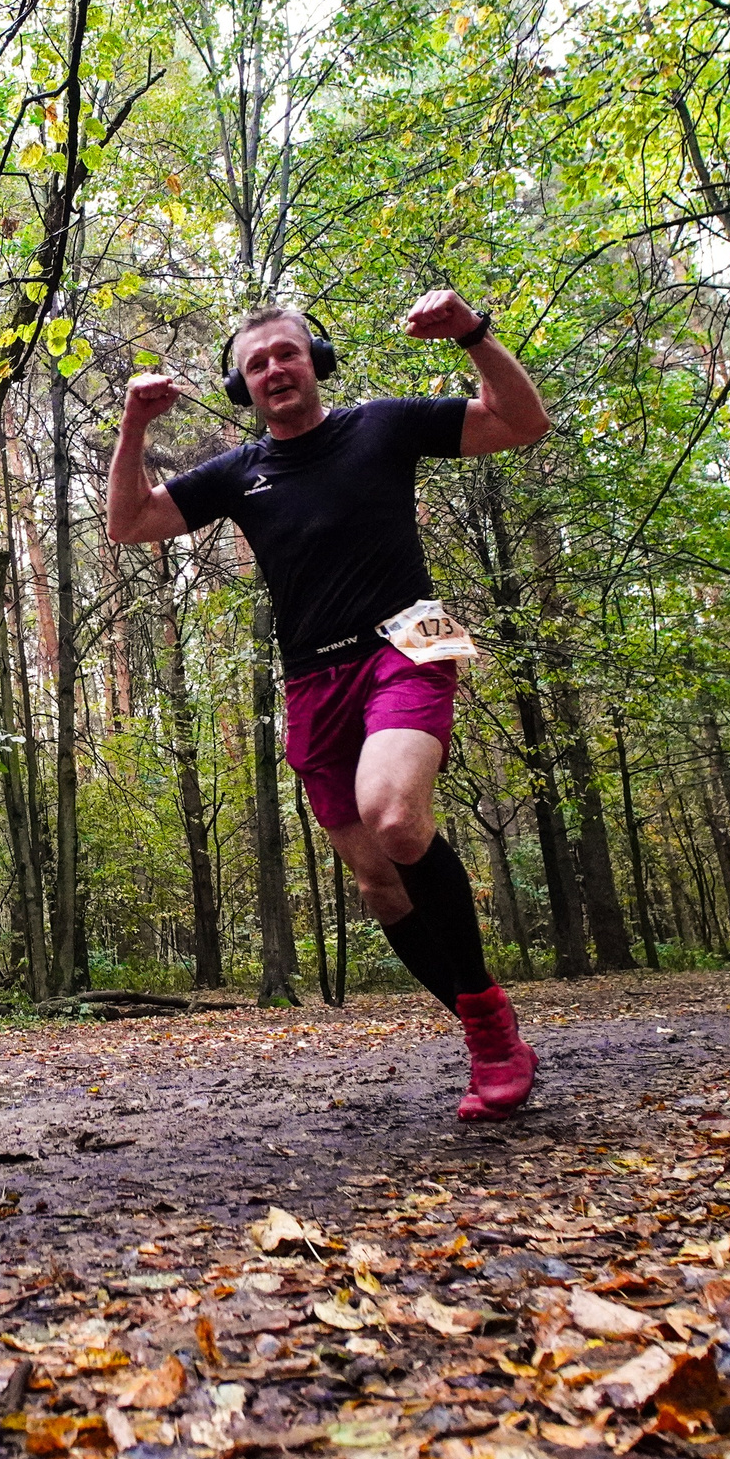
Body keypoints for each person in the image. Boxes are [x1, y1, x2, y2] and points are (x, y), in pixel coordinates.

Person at [106, 293, 553, 1120]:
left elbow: (523, 422)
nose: (275, 367)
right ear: (244, 388)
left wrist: (475, 335)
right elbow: (130, 524)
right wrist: (134, 425)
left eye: (287, 352)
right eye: (257, 363)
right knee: (381, 886)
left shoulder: (383, 425)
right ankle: (485, 1029)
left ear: (315, 358)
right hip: (312, 675)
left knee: (393, 816)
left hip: (411, 636)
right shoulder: (242, 472)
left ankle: (489, 1028)